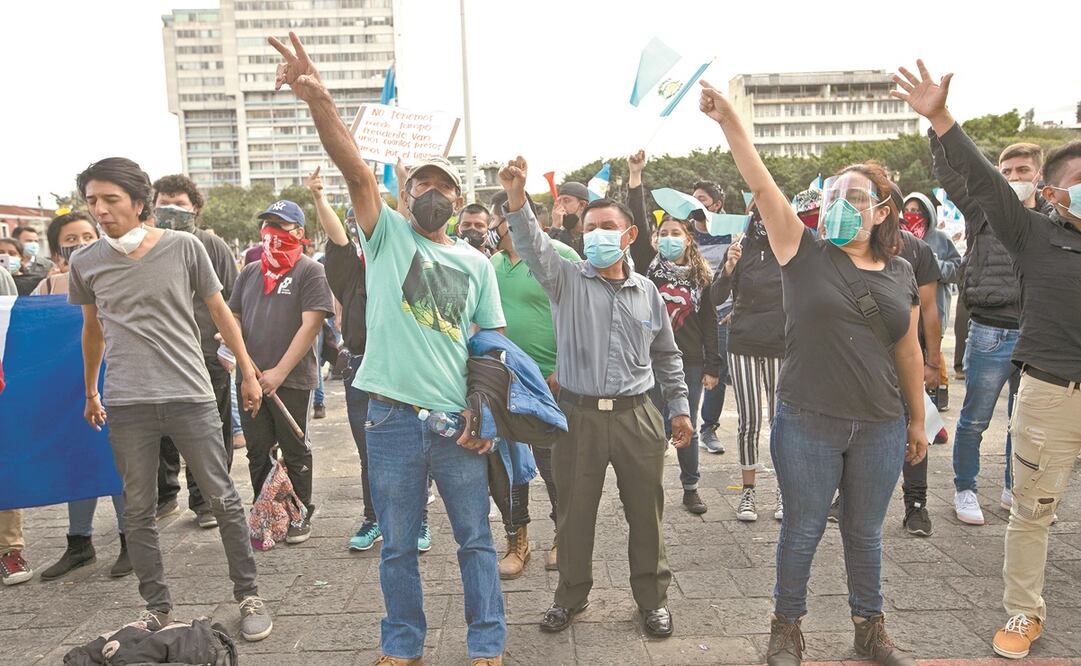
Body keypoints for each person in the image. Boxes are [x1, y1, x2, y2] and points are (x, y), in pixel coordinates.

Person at [269, 32, 506, 664]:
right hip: (391, 419)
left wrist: (485, 409)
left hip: (457, 422)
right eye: (421, 184)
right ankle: (403, 643)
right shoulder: (387, 238)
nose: (433, 193)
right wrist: (319, 98)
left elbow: (489, 340)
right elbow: (350, 163)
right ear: (405, 196)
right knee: (398, 544)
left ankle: (488, 643)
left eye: (444, 187)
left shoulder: (476, 263)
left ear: (458, 200)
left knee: (476, 540)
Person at [698, 80, 926, 666]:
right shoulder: (800, 250)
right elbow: (760, 184)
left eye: (856, 196)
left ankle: (869, 628)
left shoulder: (900, 271)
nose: (840, 204)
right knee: (800, 530)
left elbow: (908, 350)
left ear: (882, 211)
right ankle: (786, 627)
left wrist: (917, 421)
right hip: (807, 422)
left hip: (880, 426)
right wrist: (730, 122)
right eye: (834, 194)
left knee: (865, 533)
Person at [894, 59, 1081, 660]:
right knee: (1032, 510)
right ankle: (1024, 613)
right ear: (1052, 192)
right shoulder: (1029, 231)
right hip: (1051, 393)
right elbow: (981, 179)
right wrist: (941, 117)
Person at [68, 157, 272, 642]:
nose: (100, 210)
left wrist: (247, 370)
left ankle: (249, 595)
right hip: (127, 403)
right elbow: (91, 329)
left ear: (140, 204)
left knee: (222, 499)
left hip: (191, 394)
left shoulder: (185, 247)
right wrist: (91, 390)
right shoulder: (86, 261)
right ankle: (156, 607)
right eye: (93, 200)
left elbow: (220, 311)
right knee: (138, 510)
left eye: (111, 200)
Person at [497, 156, 691, 639]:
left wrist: (681, 409)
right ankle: (570, 596)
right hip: (578, 416)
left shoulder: (647, 292)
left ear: (629, 236)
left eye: (608, 227)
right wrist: (518, 198)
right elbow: (533, 245)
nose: (597, 234)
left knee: (646, 513)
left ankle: (652, 600)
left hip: (637, 416)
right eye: (590, 228)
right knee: (574, 513)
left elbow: (667, 356)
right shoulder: (565, 280)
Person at [934, 139, 1046, 524]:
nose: (1014, 177)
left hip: (1035, 333)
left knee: (1025, 423)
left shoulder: (1051, 216)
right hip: (988, 332)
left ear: (1039, 175)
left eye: (1022, 170)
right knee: (975, 419)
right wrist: (938, 127)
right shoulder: (983, 210)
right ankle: (965, 488)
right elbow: (952, 173)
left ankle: (1012, 488)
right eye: (1006, 170)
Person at [28, 212, 131, 580]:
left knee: (116, 460)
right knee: (78, 461)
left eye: (88, 236)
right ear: (57, 250)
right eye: (71, 239)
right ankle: (79, 543)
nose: (81, 244)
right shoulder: (45, 288)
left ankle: (129, 540)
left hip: (112, 382)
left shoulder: (116, 276)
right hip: (66, 390)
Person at [486, 188, 578, 575]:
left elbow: (580, 315)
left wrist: (565, 367)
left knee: (554, 462)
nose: (492, 227)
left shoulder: (560, 255)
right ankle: (516, 539)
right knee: (507, 464)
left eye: (498, 220)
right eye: (494, 221)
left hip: (549, 383)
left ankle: (565, 535)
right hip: (503, 381)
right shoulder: (490, 263)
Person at [230, 199, 333, 544]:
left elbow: (311, 326)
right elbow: (233, 318)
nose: (271, 235)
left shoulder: (309, 271)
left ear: (299, 233)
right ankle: (265, 511)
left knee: (295, 446)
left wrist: (278, 373)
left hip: (292, 379)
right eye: (267, 227)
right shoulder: (249, 272)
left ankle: (301, 511)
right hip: (250, 379)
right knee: (258, 449)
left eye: (280, 227)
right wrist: (246, 368)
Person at [150, 174, 240, 529]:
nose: (171, 210)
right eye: (163, 203)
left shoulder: (210, 245)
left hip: (206, 353)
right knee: (160, 432)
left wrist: (230, 348)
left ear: (195, 208)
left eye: (179, 204)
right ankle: (165, 495)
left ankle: (206, 500)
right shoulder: (148, 246)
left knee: (211, 430)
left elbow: (232, 298)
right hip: (159, 355)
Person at [711, 207, 785, 522]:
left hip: (781, 344)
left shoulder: (790, 248)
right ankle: (748, 492)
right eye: (760, 216)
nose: (765, 222)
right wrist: (728, 267)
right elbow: (715, 296)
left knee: (781, 422)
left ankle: (785, 491)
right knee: (749, 421)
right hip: (742, 344)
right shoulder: (740, 248)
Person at [643, 215, 720, 515]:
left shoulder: (702, 278)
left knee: (685, 424)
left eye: (676, 233)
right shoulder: (648, 272)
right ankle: (648, 490)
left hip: (689, 362)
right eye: (664, 233)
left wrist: (713, 366)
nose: (669, 238)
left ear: (688, 238)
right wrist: (635, 177)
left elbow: (710, 323)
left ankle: (691, 488)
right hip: (649, 361)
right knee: (652, 427)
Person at [902, 190, 963, 411]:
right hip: (907, 312)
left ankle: (938, 391)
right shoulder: (899, 236)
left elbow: (957, 270)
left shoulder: (940, 239)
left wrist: (933, 264)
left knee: (932, 348)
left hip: (933, 307)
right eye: (907, 210)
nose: (911, 214)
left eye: (916, 210)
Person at [689, 180, 733, 454]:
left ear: (716, 205)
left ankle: (708, 429)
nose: (697, 204)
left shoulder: (732, 233)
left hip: (723, 313)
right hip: (691, 313)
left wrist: (736, 307)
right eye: (693, 199)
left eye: (702, 199)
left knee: (717, 369)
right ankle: (683, 424)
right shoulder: (683, 234)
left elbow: (743, 272)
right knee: (689, 369)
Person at [548, 181, 589, 255]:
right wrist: (555, 226)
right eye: (559, 202)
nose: (561, 207)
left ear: (582, 205)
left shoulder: (593, 236)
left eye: (566, 201)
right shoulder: (558, 236)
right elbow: (546, 256)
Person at [12, 225, 54, 295]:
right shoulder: (9, 264)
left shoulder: (48, 265)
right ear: (16, 241)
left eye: (36, 241)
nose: (34, 244)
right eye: (29, 241)